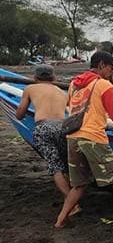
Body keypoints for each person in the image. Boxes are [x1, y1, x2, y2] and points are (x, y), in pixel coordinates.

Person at [54, 51, 113, 228]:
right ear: (102, 65)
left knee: (79, 185)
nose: (112, 73)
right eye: (111, 69)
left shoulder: (74, 84)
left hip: (73, 137)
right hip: (93, 137)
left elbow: (70, 106)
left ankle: (61, 219)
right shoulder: (104, 85)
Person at [15, 65, 78, 211]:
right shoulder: (62, 92)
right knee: (65, 164)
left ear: (35, 78)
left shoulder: (30, 88)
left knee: (55, 166)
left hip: (43, 128)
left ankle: (72, 203)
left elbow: (20, 113)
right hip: (63, 128)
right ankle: (70, 198)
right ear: (54, 78)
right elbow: (71, 110)